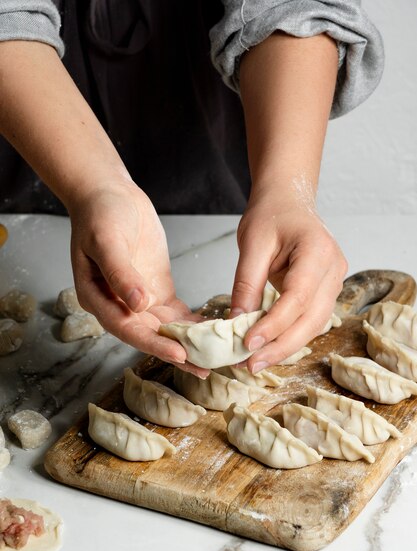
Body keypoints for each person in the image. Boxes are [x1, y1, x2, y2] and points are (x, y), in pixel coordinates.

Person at [0, 1, 383, 377]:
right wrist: (94, 187)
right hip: (27, 110)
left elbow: (294, 6)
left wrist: (287, 191)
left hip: (209, 102)